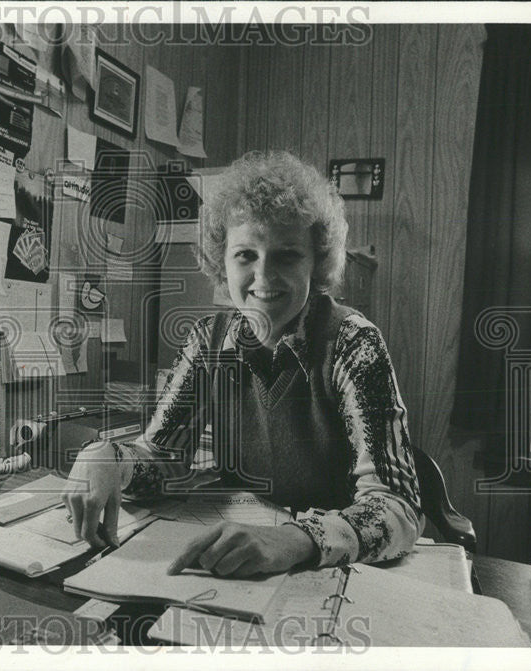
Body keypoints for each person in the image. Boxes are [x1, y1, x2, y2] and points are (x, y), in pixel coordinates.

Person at [62, 150, 423, 577]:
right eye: (246, 255)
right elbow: (164, 460)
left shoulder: (353, 342)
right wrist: (110, 458)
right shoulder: (208, 341)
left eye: (287, 255)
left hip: (330, 571)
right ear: (221, 259)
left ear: (318, 262)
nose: (264, 277)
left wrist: (297, 539)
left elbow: (397, 507)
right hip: (233, 561)